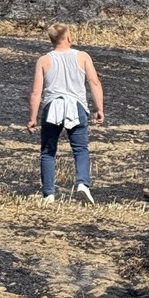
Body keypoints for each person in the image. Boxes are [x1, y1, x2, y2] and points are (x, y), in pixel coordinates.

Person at [26, 23, 105, 204]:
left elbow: (36, 92)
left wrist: (32, 118)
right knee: (80, 149)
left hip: (52, 106)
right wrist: (99, 108)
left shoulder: (44, 60)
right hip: (76, 106)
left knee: (48, 151)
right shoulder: (82, 56)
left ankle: (48, 194)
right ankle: (83, 183)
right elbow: (94, 82)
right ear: (69, 38)